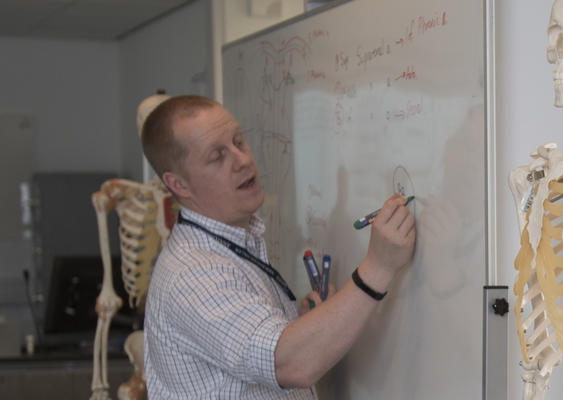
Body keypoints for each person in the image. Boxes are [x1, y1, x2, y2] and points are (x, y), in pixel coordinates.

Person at [139, 95, 417, 399]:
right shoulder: (193, 275)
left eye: (238, 141)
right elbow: (290, 364)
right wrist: (378, 266)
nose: (243, 160)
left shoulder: (232, 241)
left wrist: (305, 326)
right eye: (217, 156)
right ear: (179, 184)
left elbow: (258, 353)